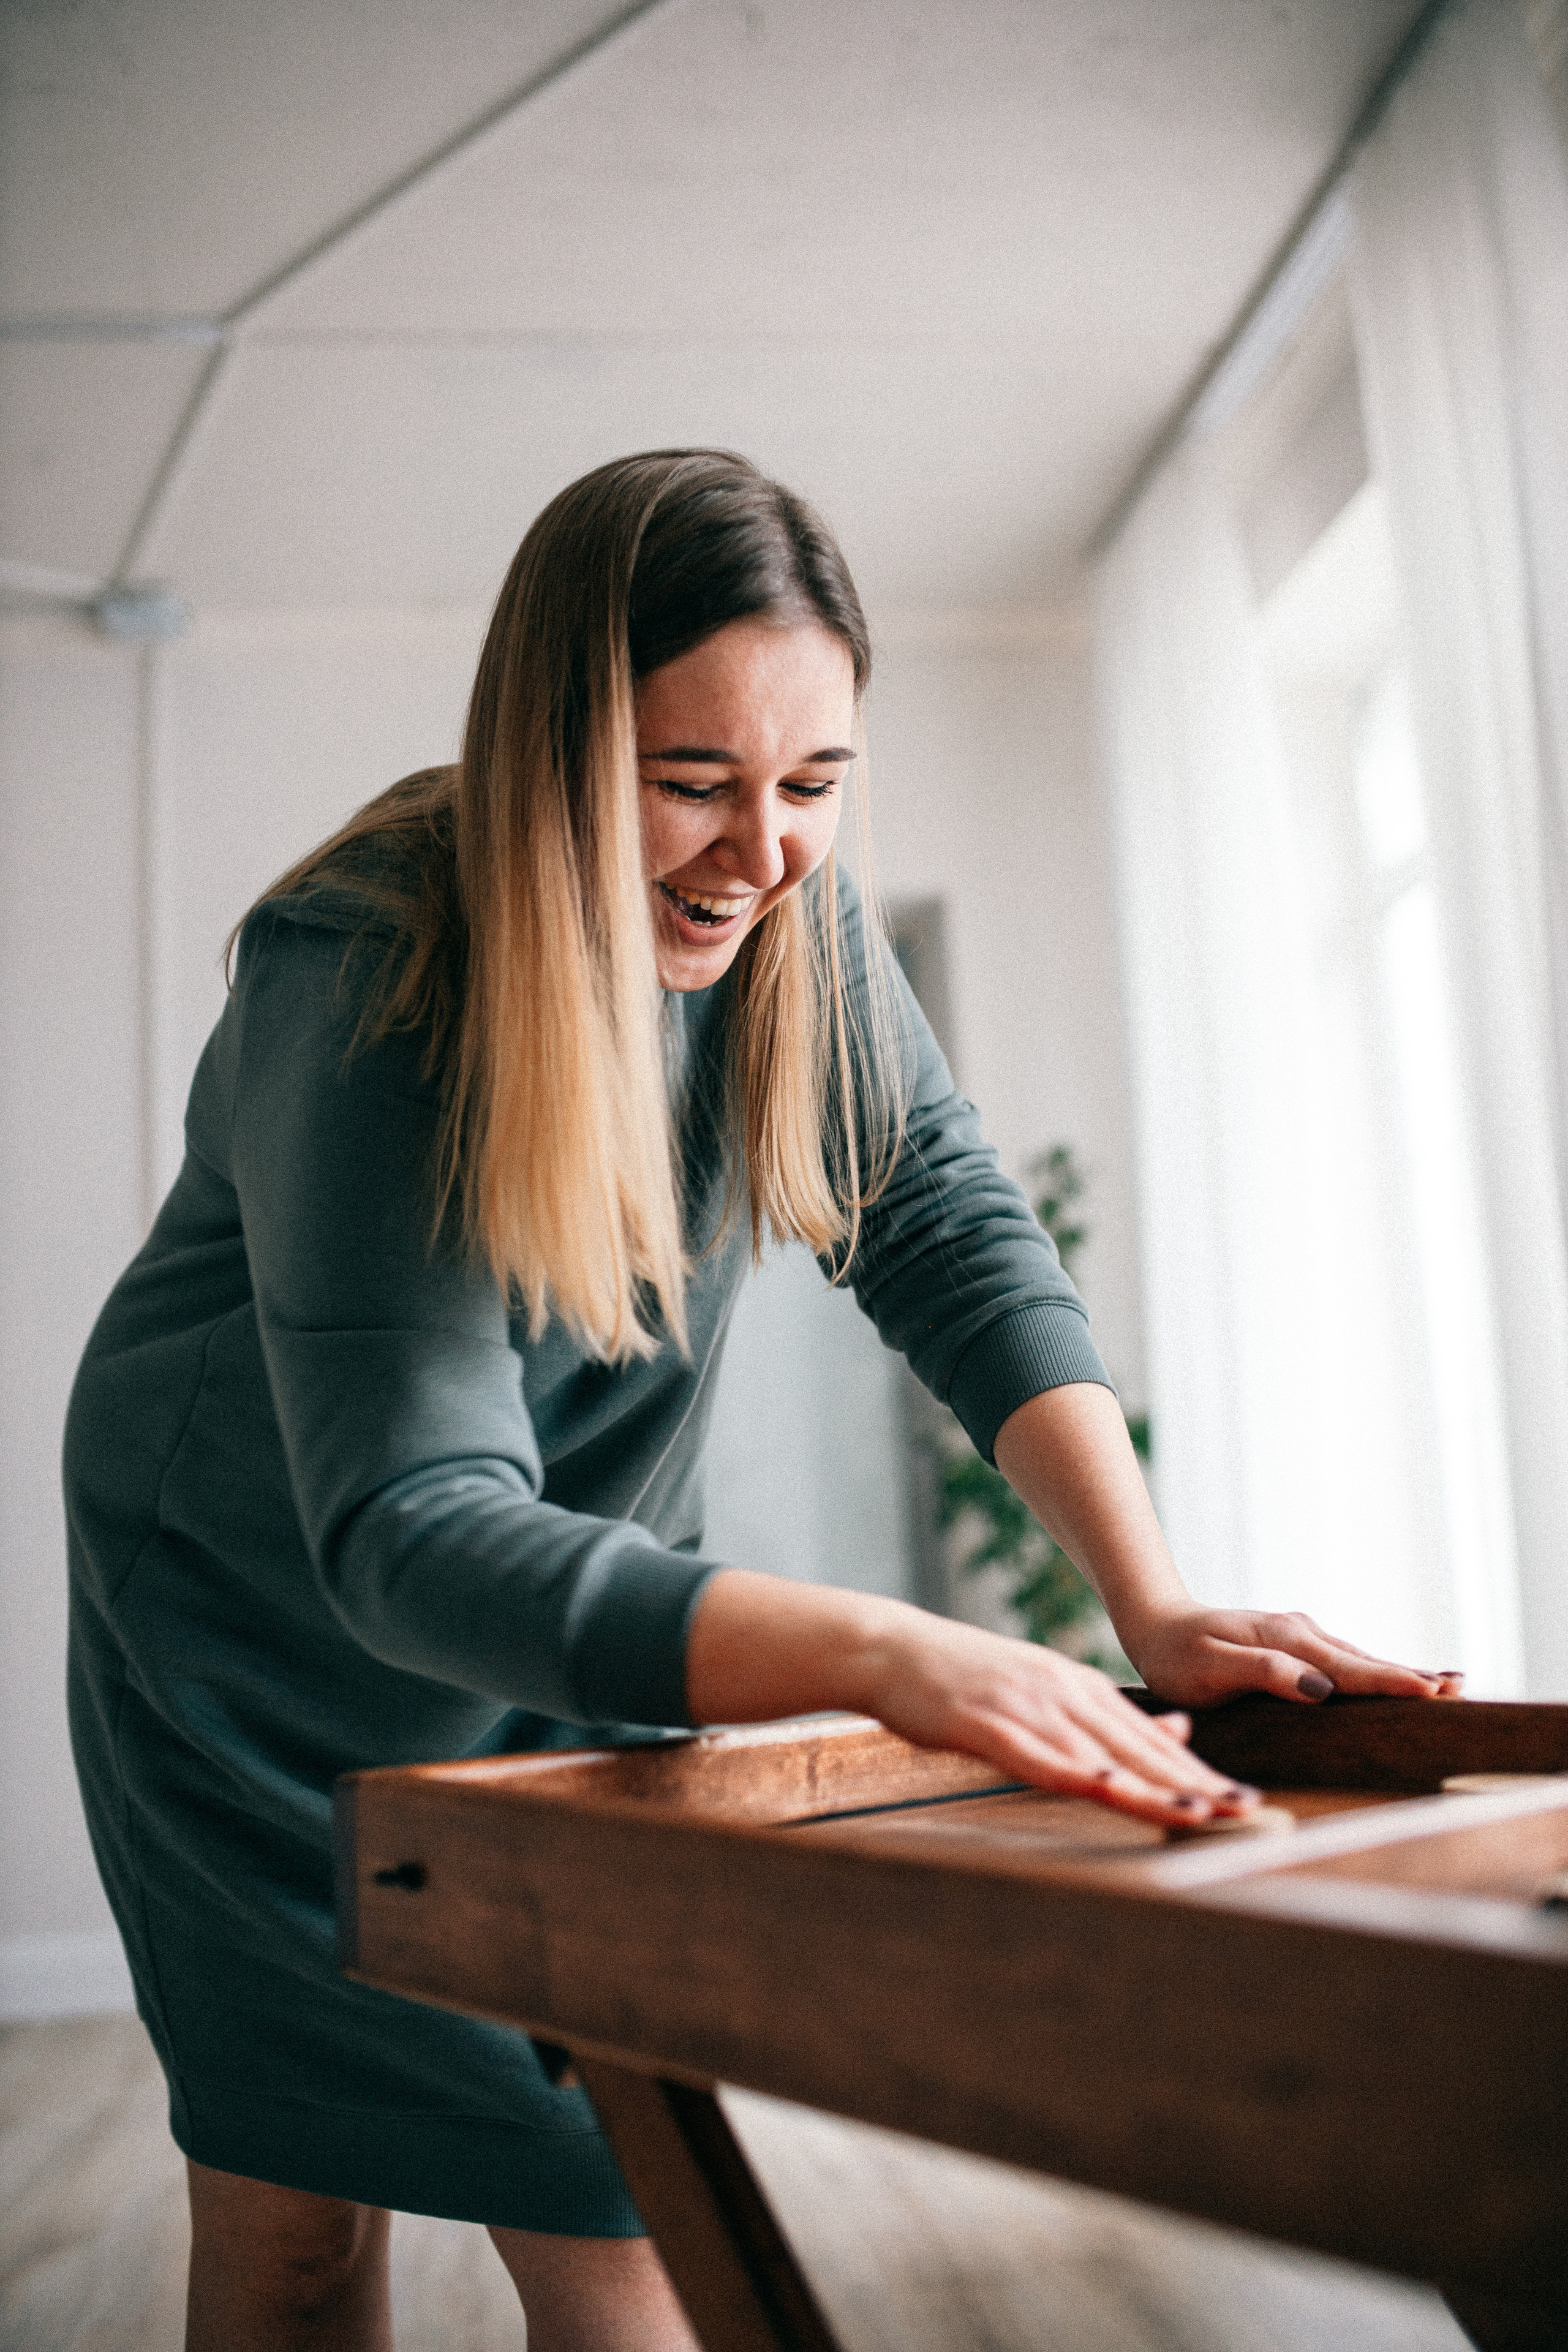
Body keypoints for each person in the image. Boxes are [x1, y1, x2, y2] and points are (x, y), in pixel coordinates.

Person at [64, 449, 1457, 2352]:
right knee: (299, 2224)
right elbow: (407, 1524)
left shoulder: (794, 921)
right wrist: (890, 1654)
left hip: (573, 1624)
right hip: (251, 1652)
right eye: (692, 782)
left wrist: (1151, 1598)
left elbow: (949, 1229)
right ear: (547, 748)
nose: (765, 853)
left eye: (815, 784)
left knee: (619, 2216)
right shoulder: (372, 971)